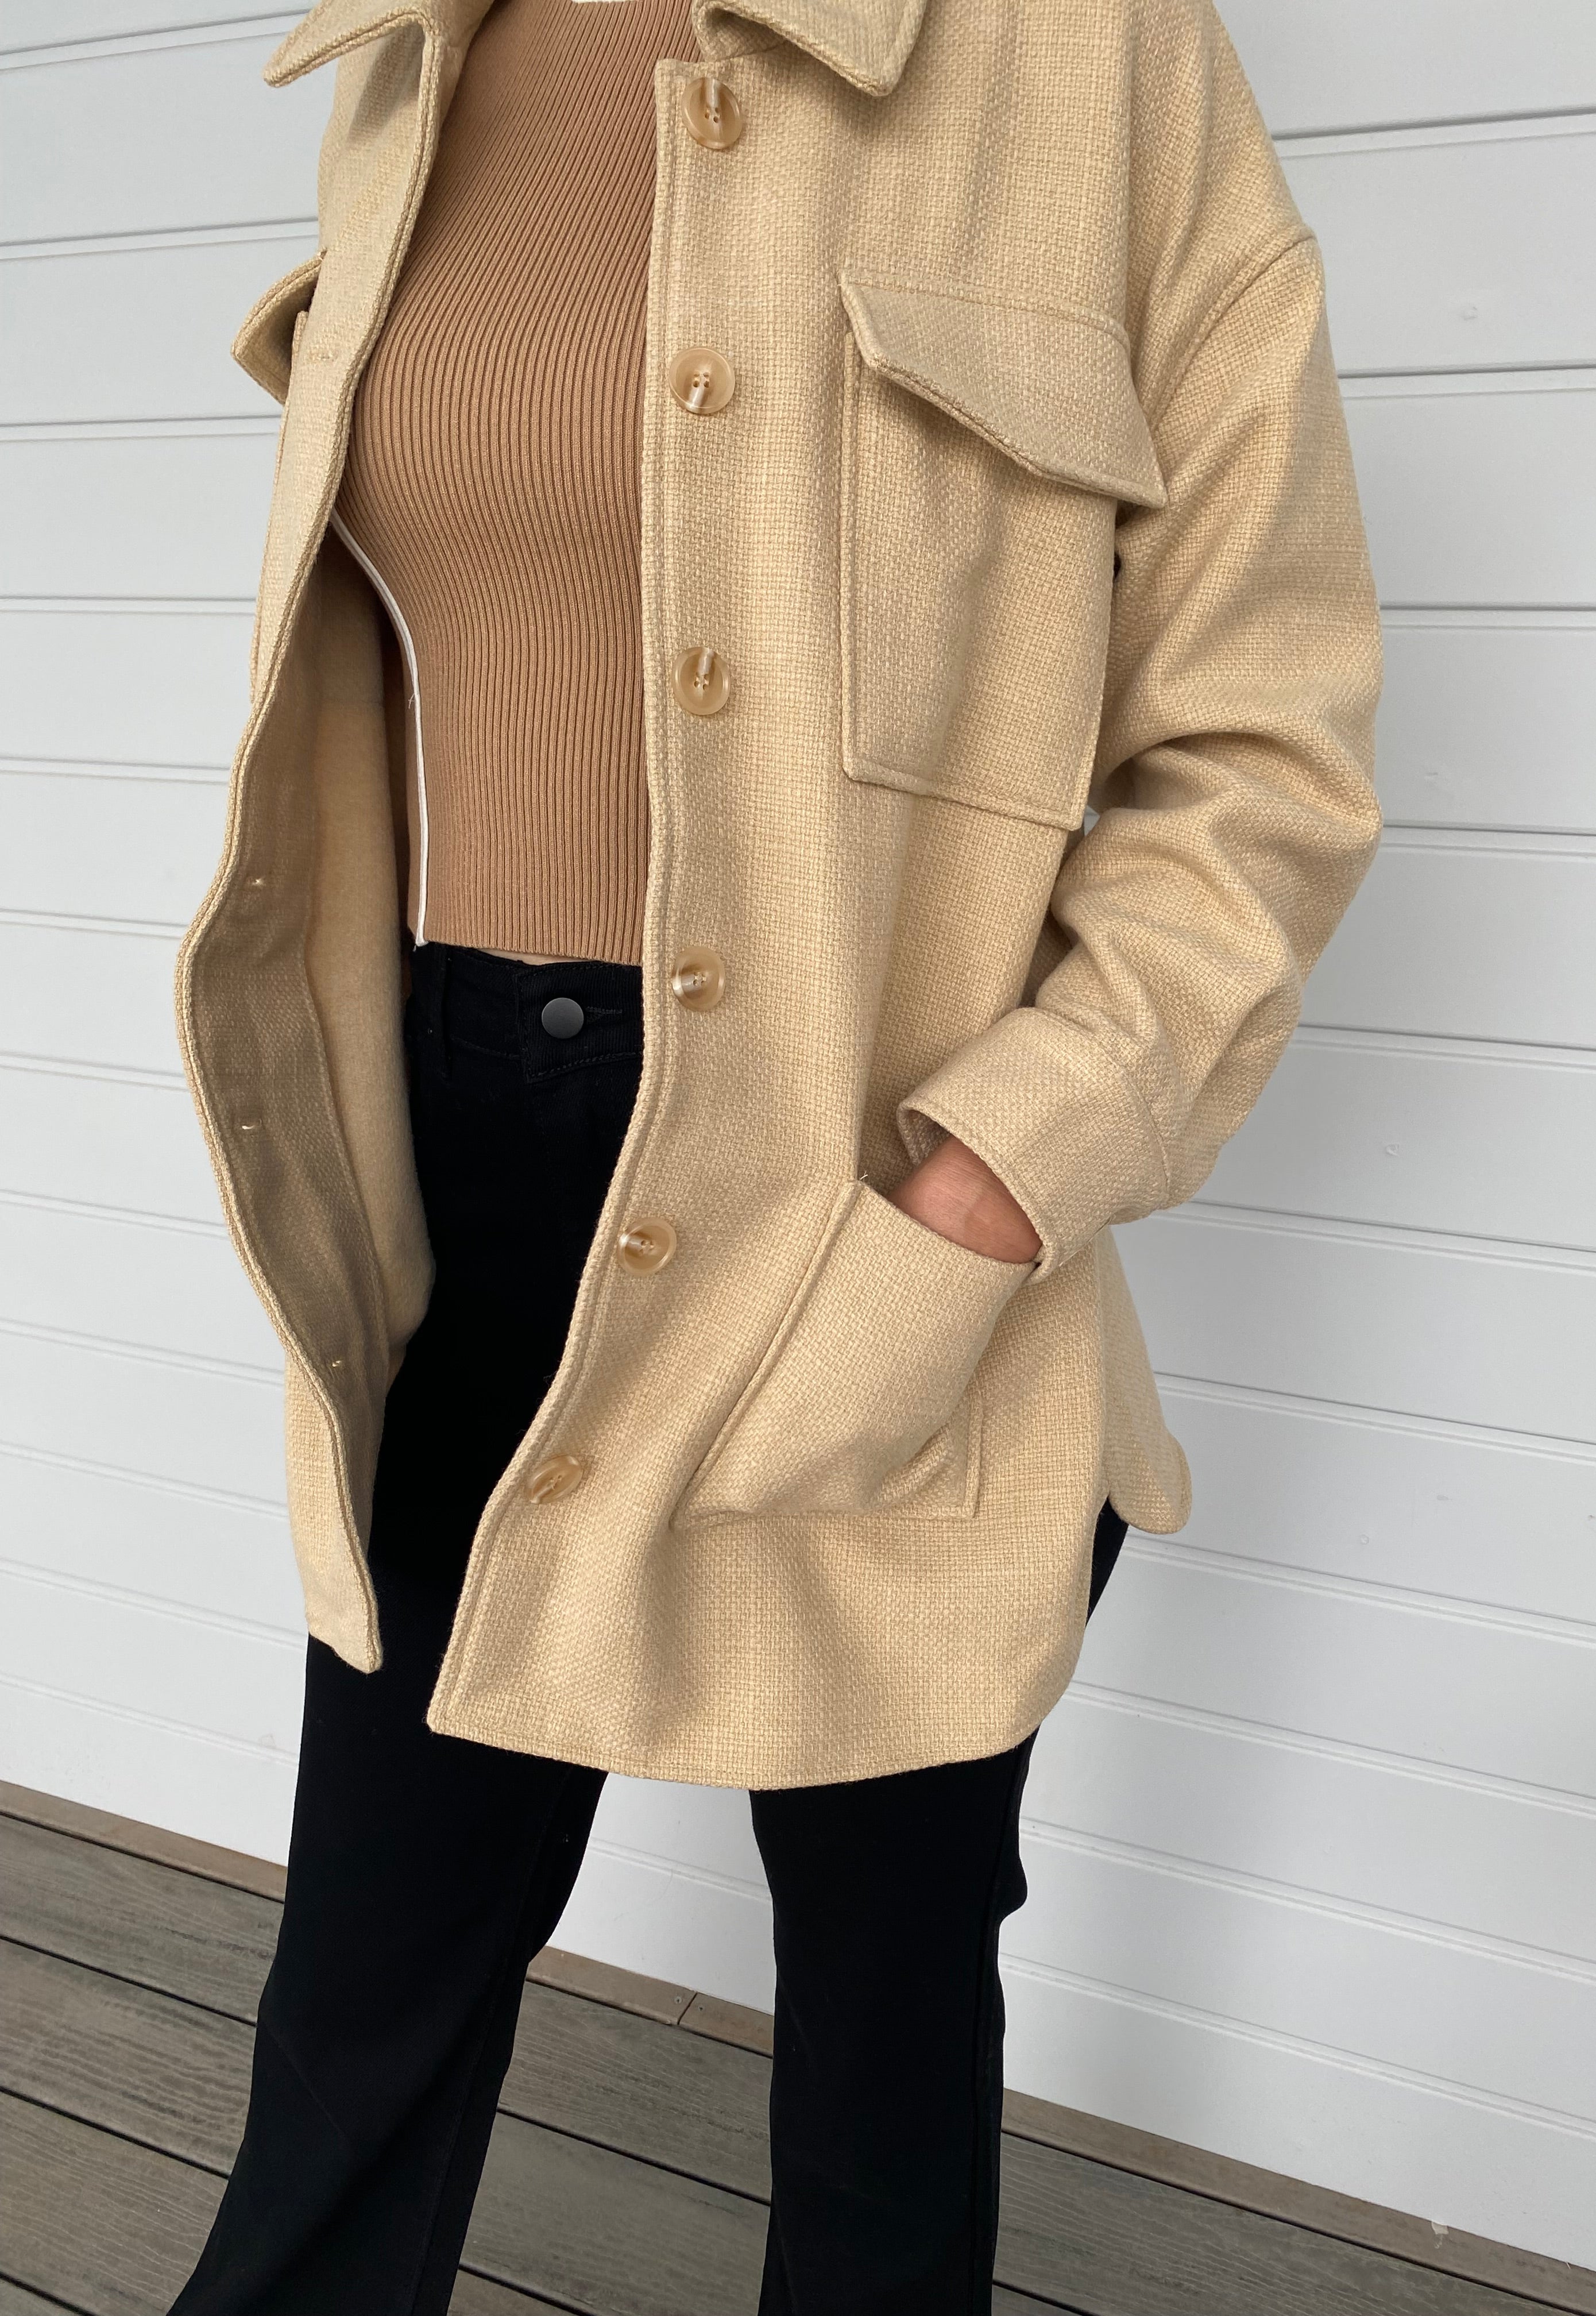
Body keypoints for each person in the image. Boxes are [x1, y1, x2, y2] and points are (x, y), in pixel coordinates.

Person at [168, 0, 1382, 2307]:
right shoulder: (409, 57)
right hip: (466, 1168)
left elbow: (1266, 746)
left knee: (890, 2007)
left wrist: (994, 1183)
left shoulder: (1097, 58)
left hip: (881, 1193)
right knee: (367, 1979)